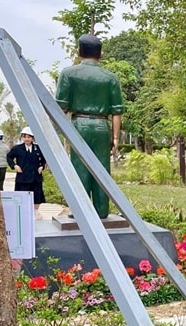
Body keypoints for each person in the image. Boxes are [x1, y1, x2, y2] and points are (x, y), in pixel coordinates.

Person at [55, 33, 124, 219]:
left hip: (78, 124)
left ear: (79, 51)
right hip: (102, 125)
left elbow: (60, 107)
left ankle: (81, 211)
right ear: (100, 53)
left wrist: (61, 134)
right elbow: (117, 111)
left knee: (79, 167)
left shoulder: (68, 74)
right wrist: (115, 138)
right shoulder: (110, 77)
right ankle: (101, 210)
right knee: (102, 168)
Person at [6, 127, 46, 217]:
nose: (27, 139)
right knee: (22, 196)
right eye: (24, 137)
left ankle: (36, 212)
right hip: (22, 177)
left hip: (35, 177)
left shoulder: (38, 148)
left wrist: (41, 167)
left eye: (29, 137)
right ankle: (23, 213)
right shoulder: (17, 148)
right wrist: (14, 165)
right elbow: (9, 157)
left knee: (37, 196)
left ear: (32, 138)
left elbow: (44, 159)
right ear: (22, 138)